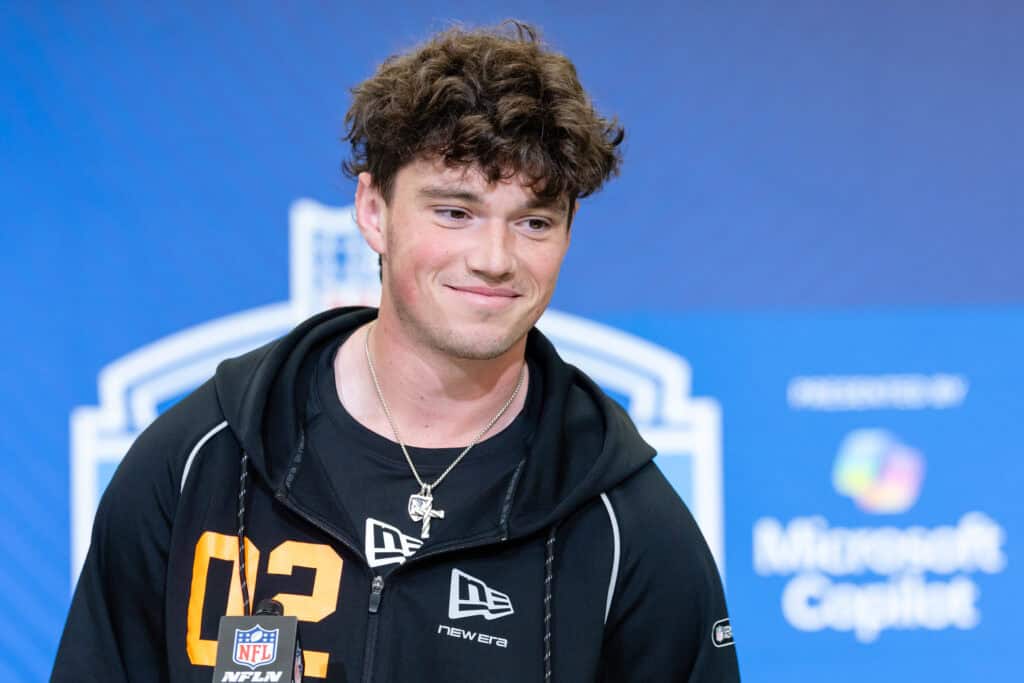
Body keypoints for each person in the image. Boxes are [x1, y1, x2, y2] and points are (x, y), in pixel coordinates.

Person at [53, 21, 740, 682]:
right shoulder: (199, 460)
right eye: (454, 211)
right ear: (373, 209)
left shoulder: (632, 530)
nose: (495, 258)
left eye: (534, 221)